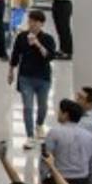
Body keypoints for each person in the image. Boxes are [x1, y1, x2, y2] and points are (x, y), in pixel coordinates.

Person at [8, 9, 57, 148]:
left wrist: (38, 44)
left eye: (35, 22)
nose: (32, 24)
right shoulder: (22, 37)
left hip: (43, 78)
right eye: (30, 21)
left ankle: (39, 124)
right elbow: (15, 54)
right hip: (25, 77)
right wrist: (11, 71)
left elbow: (50, 57)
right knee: (27, 107)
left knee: (43, 106)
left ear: (41, 24)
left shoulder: (48, 39)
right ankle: (29, 136)